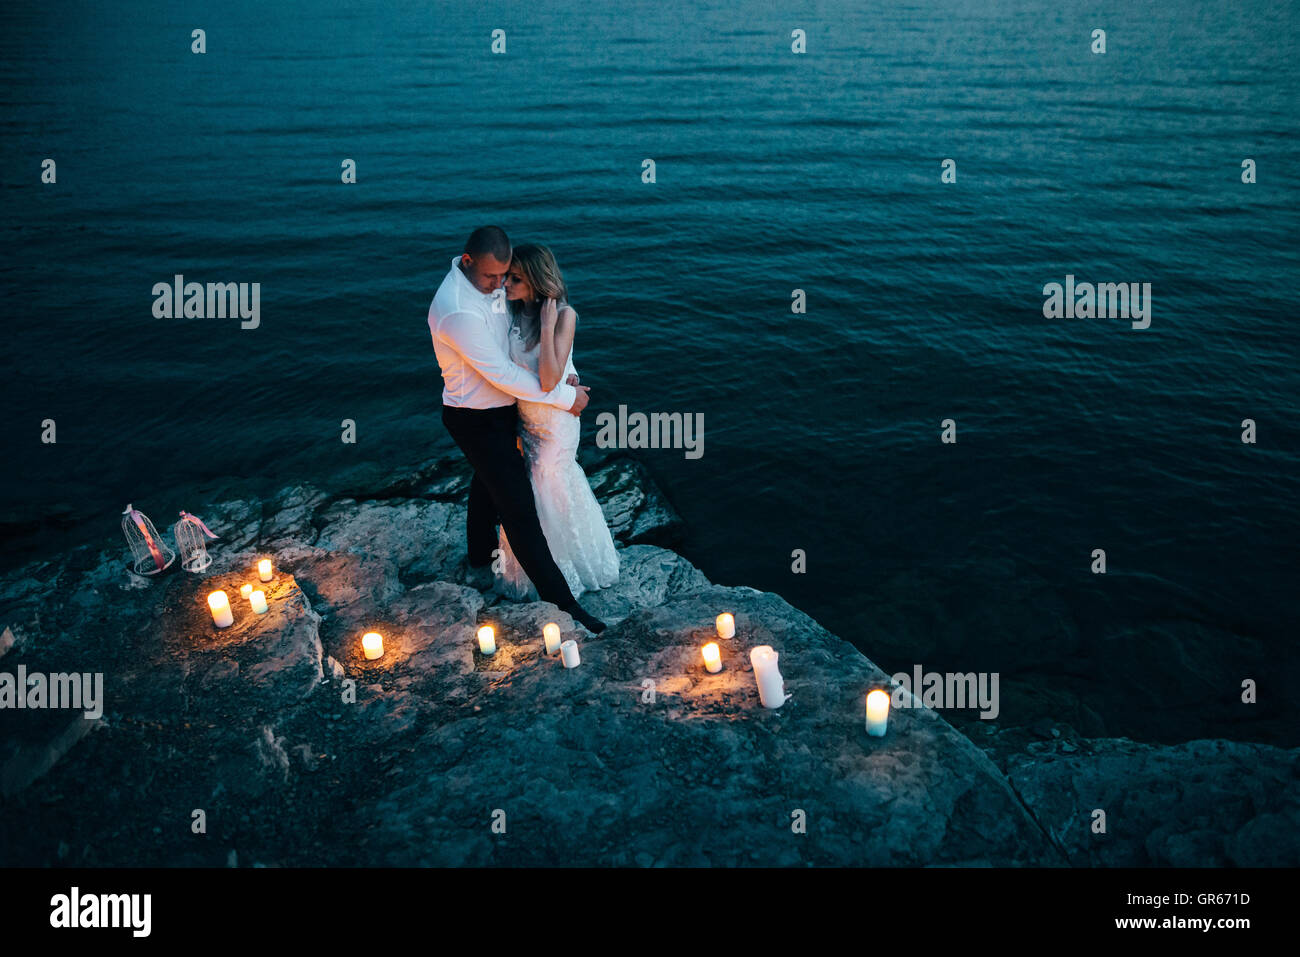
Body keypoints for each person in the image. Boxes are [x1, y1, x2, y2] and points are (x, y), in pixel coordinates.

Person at [427, 226, 607, 635]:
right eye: (493, 278)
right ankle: (566, 606)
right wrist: (566, 397)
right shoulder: (457, 310)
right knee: (520, 511)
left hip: (511, 412)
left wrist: (569, 374)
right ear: (468, 261)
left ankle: (478, 557)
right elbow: (506, 374)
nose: (498, 286)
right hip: (476, 417)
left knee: (484, 481)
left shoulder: (493, 285)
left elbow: (551, 351)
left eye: (506, 276)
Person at [495, 243, 619, 601]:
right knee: (532, 489)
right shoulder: (513, 312)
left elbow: (549, 378)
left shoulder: (564, 316)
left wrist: (547, 327)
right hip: (526, 421)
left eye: (515, 279)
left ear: (536, 280)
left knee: (549, 484)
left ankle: (566, 570)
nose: (506, 285)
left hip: (555, 425)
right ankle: (537, 567)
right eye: (506, 277)